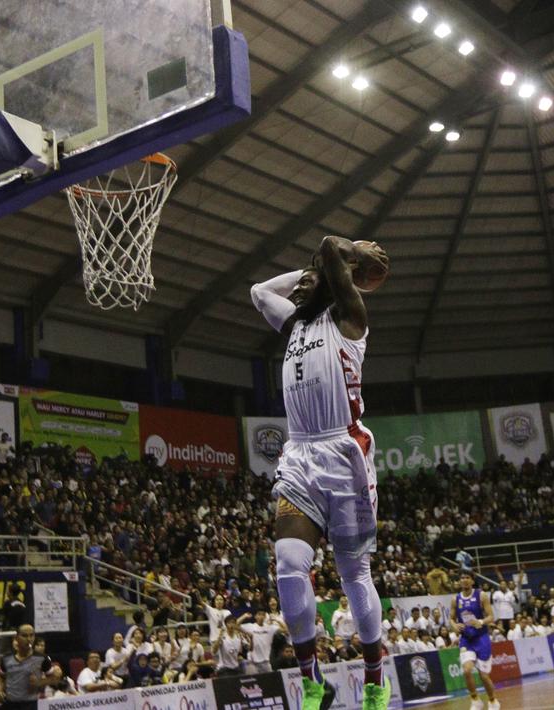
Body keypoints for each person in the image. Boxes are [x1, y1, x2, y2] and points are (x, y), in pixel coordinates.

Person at [251, 235, 391, 710]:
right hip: (299, 457)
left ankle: (374, 680)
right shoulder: (293, 325)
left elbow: (330, 245)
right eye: (300, 281)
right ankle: (313, 681)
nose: (301, 284)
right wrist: (304, 275)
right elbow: (257, 291)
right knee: (289, 566)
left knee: (354, 574)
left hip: (343, 454)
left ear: (337, 282)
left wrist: (347, 257)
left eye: (313, 278)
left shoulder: (350, 317)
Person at [452, 572, 498, 710]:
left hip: (481, 638)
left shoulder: (481, 595)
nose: (464, 580)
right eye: (462, 578)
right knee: (467, 670)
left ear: (472, 581)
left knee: (483, 675)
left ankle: (493, 701)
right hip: (466, 639)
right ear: (459, 581)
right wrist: (454, 626)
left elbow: (491, 617)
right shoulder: (455, 599)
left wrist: (480, 621)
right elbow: (451, 618)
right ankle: (475, 700)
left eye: (467, 578)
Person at [0, 624, 53, 710]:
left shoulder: (42, 658)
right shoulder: (6, 658)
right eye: (24, 636)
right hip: (9, 704)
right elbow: (2, 678)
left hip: (30, 705)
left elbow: (55, 679)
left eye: (31, 635)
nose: (29, 639)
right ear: (17, 637)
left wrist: (40, 682)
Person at [241, 609, 288, 674]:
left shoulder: (270, 628)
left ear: (265, 617)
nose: (261, 617)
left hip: (266, 662)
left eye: (263, 615)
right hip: (252, 662)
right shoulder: (250, 626)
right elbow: (235, 625)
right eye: (259, 614)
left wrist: (277, 619)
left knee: (269, 682)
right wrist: (244, 616)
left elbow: (285, 630)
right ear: (255, 616)